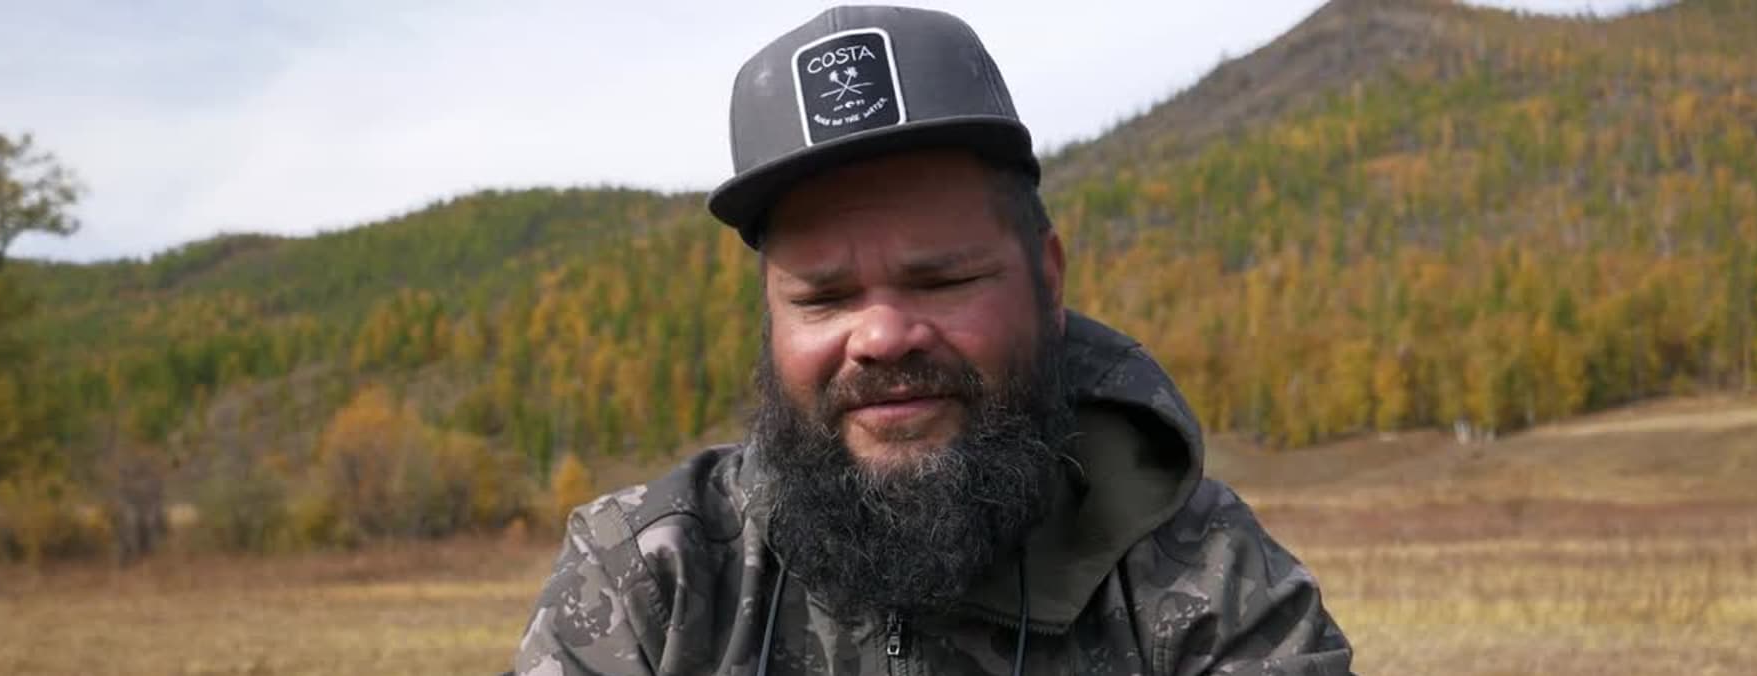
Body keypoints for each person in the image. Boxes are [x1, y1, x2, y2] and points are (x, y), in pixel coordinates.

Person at [512, 6, 1353, 675]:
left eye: (943, 280)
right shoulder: (651, 576)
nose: (881, 336)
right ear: (771, 317)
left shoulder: (1201, 575)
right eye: (824, 297)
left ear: (1048, 280)